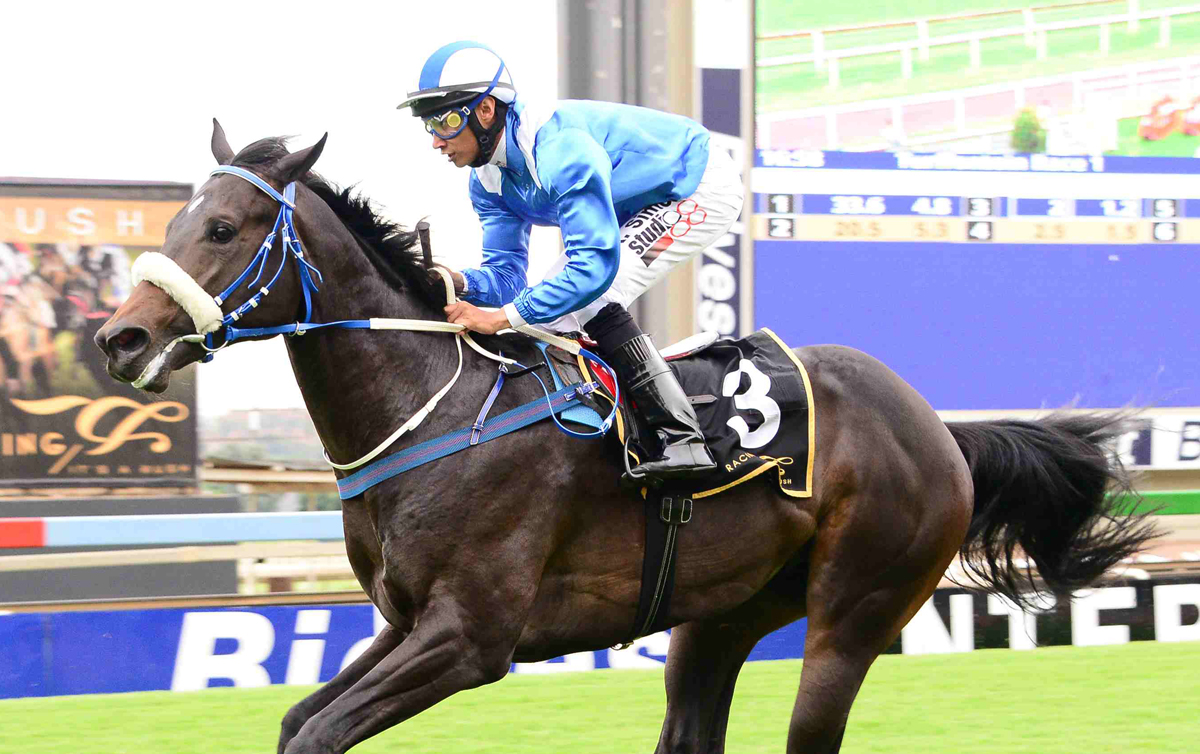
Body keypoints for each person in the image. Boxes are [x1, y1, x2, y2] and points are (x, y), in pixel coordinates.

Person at [398, 41, 744, 481]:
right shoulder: (486, 181)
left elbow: (592, 268)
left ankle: (683, 438)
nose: (435, 140)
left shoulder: (560, 150)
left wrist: (500, 318)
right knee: (550, 306)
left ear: (486, 110)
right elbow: (507, 279)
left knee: (591, 295)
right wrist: (460, 282)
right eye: (428, 124)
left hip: (695, 186)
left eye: (445, 121)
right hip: (634, 201)